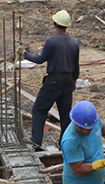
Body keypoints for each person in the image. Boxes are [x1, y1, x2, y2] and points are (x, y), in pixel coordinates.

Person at [16, 10, 80, 151]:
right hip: (68, 81)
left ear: (54, 24)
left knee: (39, 110)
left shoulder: (52, 41)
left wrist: (24, 53)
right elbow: (76, 66)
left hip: (53, 81)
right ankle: (64, 144)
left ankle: (36, 141)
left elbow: (40, 59)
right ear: (66, 26)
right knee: (65, 115)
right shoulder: (74, 42)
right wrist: (73, 81)